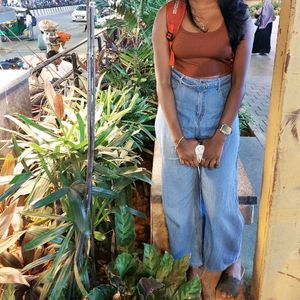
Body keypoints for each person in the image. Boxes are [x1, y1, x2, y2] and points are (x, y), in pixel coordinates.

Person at [152, 0, 254, 299]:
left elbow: (240, 84)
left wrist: (221, 136)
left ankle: (226, 262)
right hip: (176, 109)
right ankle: (192, 265)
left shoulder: (238, 15)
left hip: (221, 108)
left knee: (219, 199)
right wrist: (178, 138)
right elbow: (163, 83)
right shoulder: (169, 14)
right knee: (178, 202)